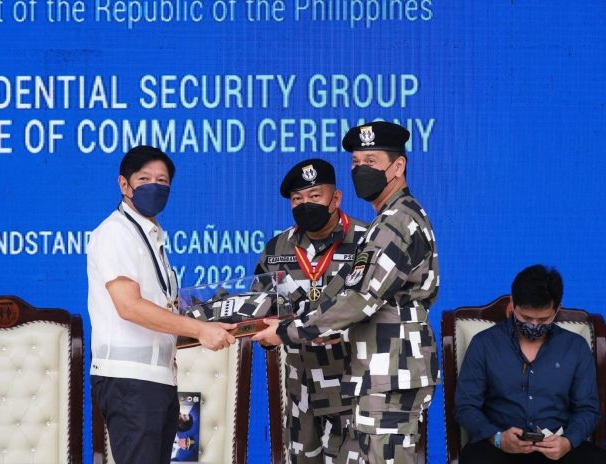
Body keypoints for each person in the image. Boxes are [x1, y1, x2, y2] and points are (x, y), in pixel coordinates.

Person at [254, 121, 440, 464]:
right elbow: (348, 292)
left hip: (389, 370)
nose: (361, 170)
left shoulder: (396, 221)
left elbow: (359, 300)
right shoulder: (388, 219)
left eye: (371, 160)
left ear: (398, 166)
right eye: (355, 163)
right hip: (374, 372)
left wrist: (287, 331)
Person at [87, 145, 236, 464]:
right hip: (130, 381)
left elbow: (162, 309)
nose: (155, 186)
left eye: (163, 181)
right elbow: (130, 307)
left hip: (159, 379)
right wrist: (200, 329)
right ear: (124, 184)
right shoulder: (115, 233)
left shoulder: (152, 236)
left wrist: (218, 319)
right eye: (145, 178)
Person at [254, 158, 368, 463]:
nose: (306, 204)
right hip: (300, 391)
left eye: (315, 196)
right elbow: (260, 305)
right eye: (297, 199)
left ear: (336, 198)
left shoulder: (366, 241)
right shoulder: (278, 247)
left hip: (354, 389)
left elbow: (376, 307)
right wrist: (260, 330)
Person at [454, 265, 606, 463]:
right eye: (525, 318)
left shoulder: (575, 347)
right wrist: (497, 438)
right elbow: (465, 406)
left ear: (557, 309)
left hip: (558, 447)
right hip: (499, 448)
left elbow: (588, 409)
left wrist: (568, 441)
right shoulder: (484, 344)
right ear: (512, 304)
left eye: (543, 319)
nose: (534, 325)